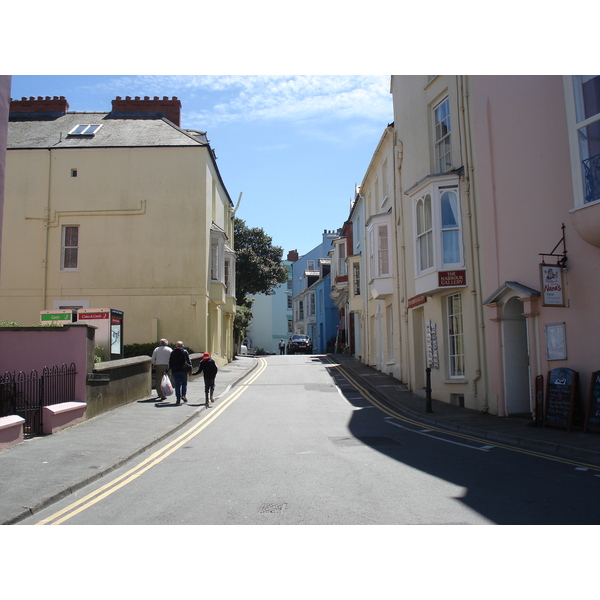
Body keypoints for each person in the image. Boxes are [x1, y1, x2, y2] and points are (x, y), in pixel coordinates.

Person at [168, 341, 192, 405]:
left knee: (177, 385)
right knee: (184, 383)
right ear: (182, 346)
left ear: (176, 346)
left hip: (175, 371)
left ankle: (178, 399)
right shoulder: (185, 352)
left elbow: (170, 362)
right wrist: (190, 370)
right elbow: (189, 361)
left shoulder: (173, 352)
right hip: (183, 370)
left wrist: (167, 370)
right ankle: (183, 395)